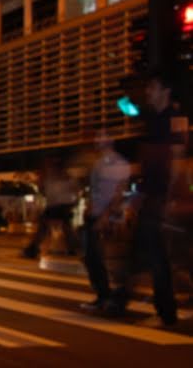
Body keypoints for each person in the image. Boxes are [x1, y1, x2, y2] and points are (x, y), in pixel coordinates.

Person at [105, 74, 180, 326]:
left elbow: (176, 162)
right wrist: (123, 95)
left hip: (161, 198)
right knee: (141, 251)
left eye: (152, 86)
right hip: (150, 197)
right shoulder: (152, 119)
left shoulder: (174, 119)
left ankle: (165, 313)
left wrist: (169, 198)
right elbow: (129, 109)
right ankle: (122, 298)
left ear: (166, 90)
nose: (148, 91)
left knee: (156, 255)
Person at [79, 130, 130, 311]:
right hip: (97, 215)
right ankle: (105, 296)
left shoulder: (116, 162)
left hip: (106, 218)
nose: (96, 140)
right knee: (92, 257)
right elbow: (98, 190)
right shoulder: (101, 162)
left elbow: (118, 193)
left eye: (101, 137)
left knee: (103, 259)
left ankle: (110, 297)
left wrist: (105, 216)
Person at [22, 154, 79, 259]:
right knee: (65, 228)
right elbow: (73, 191)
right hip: (62, 206)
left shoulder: (53, 178)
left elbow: (45, 191)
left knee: (44, 229)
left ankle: (32, 249)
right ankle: (73, 249)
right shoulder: (64, 177)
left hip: (56, 206)